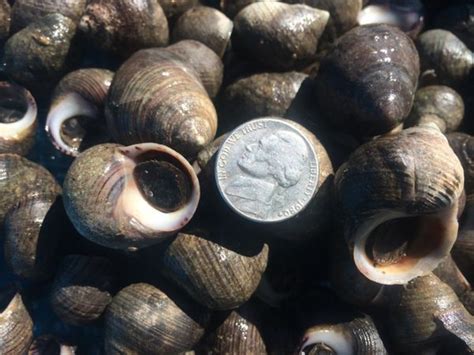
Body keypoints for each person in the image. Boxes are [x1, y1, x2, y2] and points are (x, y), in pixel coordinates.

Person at [225, 130, 308, 219]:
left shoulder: (253, 207)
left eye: (260, 146)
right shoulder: (239, 185)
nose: (249, 147)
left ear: (275, 163)